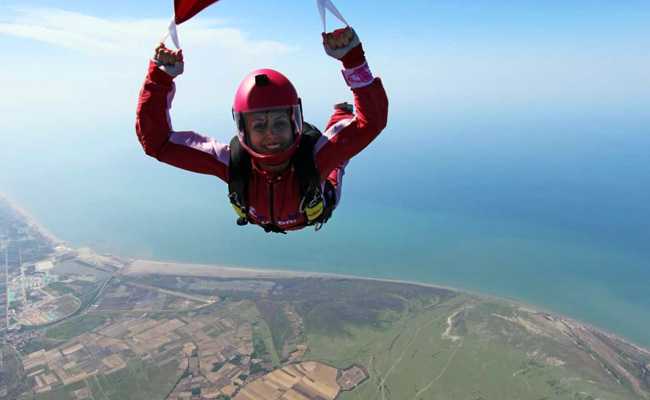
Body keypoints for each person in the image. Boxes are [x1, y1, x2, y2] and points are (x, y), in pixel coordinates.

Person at [136, 27, 388, 233]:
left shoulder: (315, 159)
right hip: (288, 212)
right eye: (259, 125)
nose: (271, 134)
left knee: (337, 160)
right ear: (242, 128)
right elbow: (157, 142)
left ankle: (341, 114)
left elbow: (371, 122)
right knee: (337, 149)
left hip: (316, 192)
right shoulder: (232, 161)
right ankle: (341, 114)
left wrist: (353, 60)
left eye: (279, 122)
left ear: (295, 122)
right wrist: (159, 78)